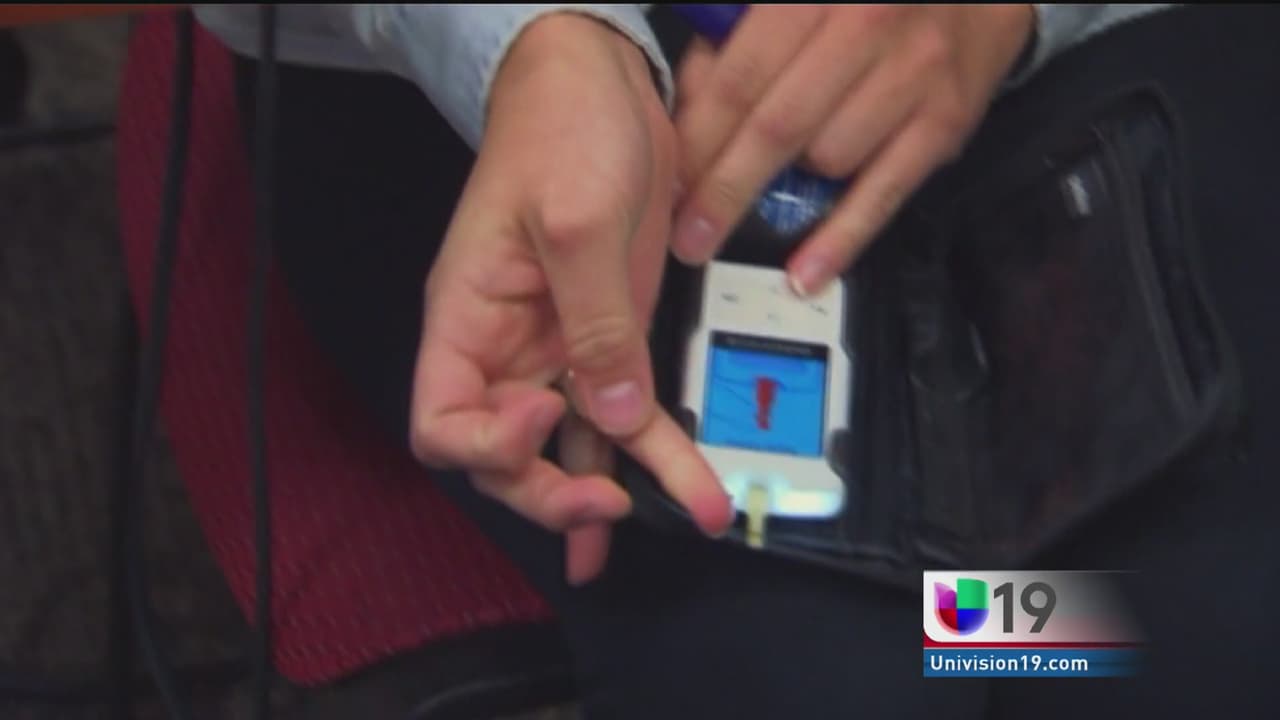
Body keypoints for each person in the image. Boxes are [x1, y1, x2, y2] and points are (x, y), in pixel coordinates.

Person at [199, 4, 1280, 718]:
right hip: (534, 91)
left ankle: (973, 615)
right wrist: (535, 43)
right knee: (821, 677)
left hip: (1076, 54)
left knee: (1159, 637)